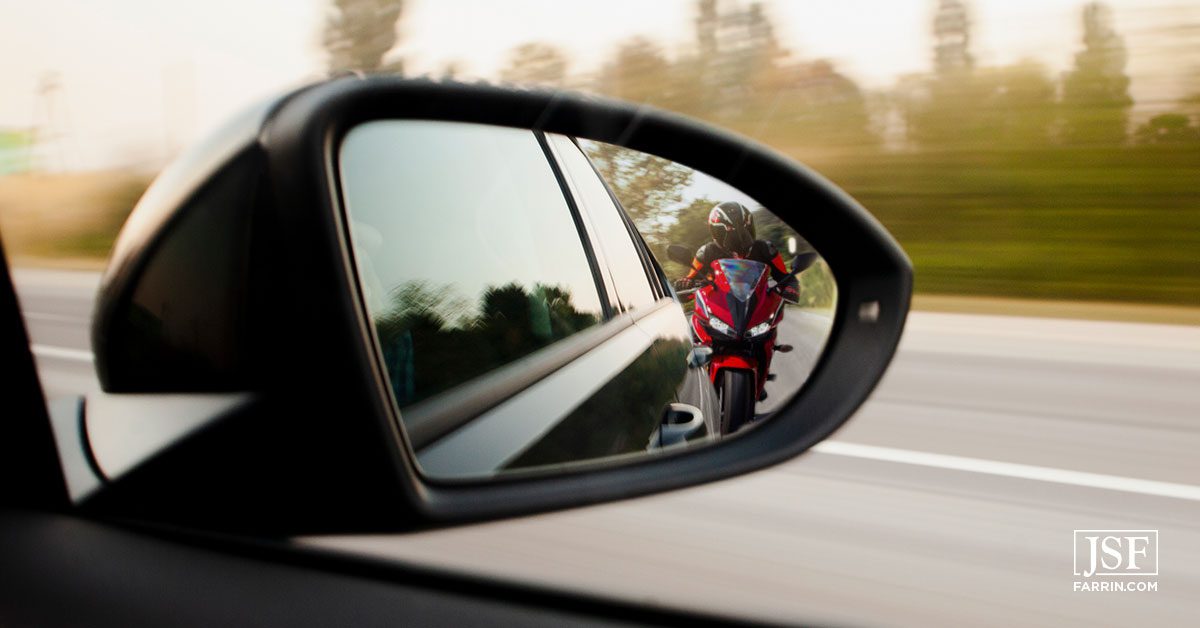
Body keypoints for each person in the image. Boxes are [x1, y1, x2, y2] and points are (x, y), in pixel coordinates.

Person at [674, 201, 800, 301]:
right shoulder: (707, 252)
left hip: (757, 307)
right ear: (718, 232)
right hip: (719, 309)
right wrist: (683, 286)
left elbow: (787, 278)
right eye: (730, 230)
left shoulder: (765, 248)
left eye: (743, 228)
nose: (739, 236)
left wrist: (791, 289)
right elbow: (688, 286)